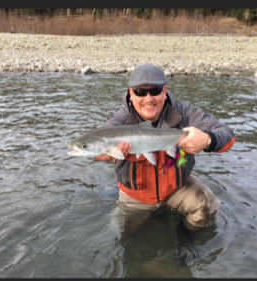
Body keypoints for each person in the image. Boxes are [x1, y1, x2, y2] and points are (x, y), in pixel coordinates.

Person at [96, 64, 235, 233]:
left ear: (164, 90)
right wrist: (108, 155)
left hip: (176, 188)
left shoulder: (185, 112)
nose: (149, 99)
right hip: (135, 196)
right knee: (129, 240)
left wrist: (207, 140)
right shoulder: (118, 122)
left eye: (154, 91)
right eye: (140, 92)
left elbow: (227, 135)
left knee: (207, 207)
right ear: (131, 94)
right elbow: (98, 151)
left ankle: (186, 242)